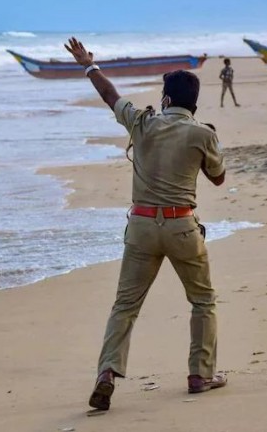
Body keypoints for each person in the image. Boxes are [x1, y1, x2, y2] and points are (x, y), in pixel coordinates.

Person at [63, 37, 227, 411]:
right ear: (193, 104)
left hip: (140, 227)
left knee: (125, 305)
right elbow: (218, 177)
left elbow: (110, 95)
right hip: (182, 226)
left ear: (166, 100)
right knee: (202, 300)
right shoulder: (203, 133)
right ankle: (200, 375)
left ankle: (106, 373)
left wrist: (88, 64)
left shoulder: (141, 122)